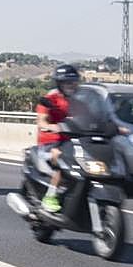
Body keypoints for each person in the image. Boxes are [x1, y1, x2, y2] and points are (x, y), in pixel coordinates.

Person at [36, 64, 80, 213]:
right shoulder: (50, 99)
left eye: (73, 82)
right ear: (59, 83)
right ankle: (50, 195)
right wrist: (52, 126)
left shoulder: (79, 100)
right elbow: (41, 120)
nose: (71, 85)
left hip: (70, 141)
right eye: (67, 82)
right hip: (50, 142)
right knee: (62, 158)